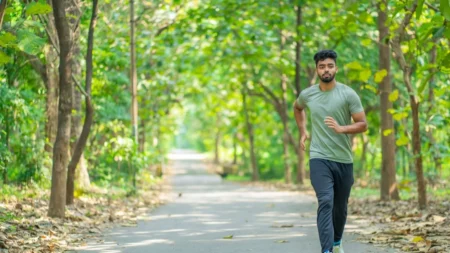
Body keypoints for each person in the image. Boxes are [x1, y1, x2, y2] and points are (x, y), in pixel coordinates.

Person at [293, 50, 368, 253]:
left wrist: (342, 128)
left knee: (340, 207)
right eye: (322, 66)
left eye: (329, 66)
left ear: (336, 68)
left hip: (343, 159)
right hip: (319, 157)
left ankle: (336, 242)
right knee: (325, 200)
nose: (326, 69)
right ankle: (326, 250)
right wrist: (303, 131)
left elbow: (363, 124)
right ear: (317, 70)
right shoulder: (308, 94)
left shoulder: (348, 94)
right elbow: (297, 108)